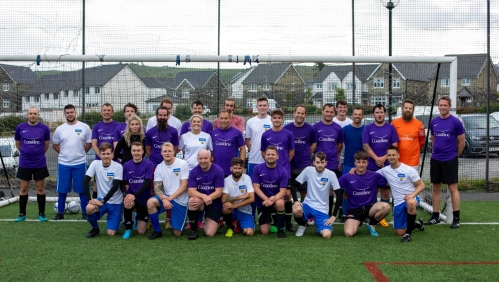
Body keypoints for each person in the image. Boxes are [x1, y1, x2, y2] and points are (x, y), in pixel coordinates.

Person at [426, 96, 465, 228]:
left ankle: (456, 219)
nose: (442, 107)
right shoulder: (434, 122)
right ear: (438, 106)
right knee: (436, 187)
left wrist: (455, 156)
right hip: (436, 159)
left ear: (449, 106)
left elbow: (462, 143)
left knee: (452, 188)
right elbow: (433, 139)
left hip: (450, 160)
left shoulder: (456, 122)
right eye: (441, 105)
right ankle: (435, 216)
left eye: (445, 105)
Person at [377, 146, 425, 242]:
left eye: (393, 155)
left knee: (410, 202)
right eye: (389, 155)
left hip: (411, 199)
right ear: (386, 156)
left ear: (398, 155)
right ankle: (418, 224)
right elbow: (369, 175)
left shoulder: (409, 170)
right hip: (398, 203)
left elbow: (421, 185)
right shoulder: (385, 170)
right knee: (399, 233)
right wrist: (355, 170)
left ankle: (408, 234)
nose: (391, 157)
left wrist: (412, 195)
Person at [52, 104, 92, 220]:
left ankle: (85, 213)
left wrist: (81, 153)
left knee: (82, 189)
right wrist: (64, 154)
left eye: (72, 112)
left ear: (75, 113)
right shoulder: (60, 129)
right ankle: (60, 213)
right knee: (62, 190)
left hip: (80, 163)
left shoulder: (84, 127)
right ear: (64, 114)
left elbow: (89, 143)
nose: (70, 114)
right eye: (67, 112)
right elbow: (55, 145)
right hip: (64, 164)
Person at [362, 104, 399, 227]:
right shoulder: (368, 128)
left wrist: (384, 158)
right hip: (372, 166)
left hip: (387, 166)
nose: (379, 114)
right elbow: (365, 146)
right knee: (372, 192)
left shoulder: (391, 128)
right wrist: (377, 158)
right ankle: (371, 216)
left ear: (384, 114)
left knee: (385, 192)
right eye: (377, 112)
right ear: (374, 114)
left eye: (381, 112)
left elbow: (394, 145)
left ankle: (382, 217)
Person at [339, 150, 390, 237]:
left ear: (367, 163)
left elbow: (388, 184)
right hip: (354, 211)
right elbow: (334, 186)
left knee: (386, 207)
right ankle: (356, 222)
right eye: (359, 162)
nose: (361, 164)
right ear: (355, 163)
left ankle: (371, 224)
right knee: (348, 233)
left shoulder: (374, 175)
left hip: (370, 208)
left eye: (364, 162)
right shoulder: (348, 176)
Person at [14, 106, 51, 222]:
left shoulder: (44, 128)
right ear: (27, 115)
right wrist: (26, 153)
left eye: (35, 113)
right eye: (30, 113)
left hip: (39, 163)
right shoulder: (20, 128)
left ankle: (41, 213)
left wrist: (37, 154)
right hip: (25, 163)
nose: (33, 115)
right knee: (24, 188)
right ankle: (22, 214)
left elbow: (46, 146)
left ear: (38, 115)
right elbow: (18, 144)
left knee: (40, 188)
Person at [260, 109, 295, 232]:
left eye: (279, 118)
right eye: (275, 117)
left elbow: (291, 152)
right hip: (270, 171)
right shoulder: (265, 135)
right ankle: (276, 221)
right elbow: (263, 152)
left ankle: (288, 222)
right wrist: (270, 163)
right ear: (271, 119)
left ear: (282, 119)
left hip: (284, 170)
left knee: (287, 195)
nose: (277, 120)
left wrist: (282, 164)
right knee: (273, 195)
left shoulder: (288, 134)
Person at [292, 152, 340, 239]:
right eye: (317, 162)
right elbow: (293, 185)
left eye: (322, 162)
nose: (320, 165)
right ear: (313, 162)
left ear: (326, 163)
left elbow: (339, 196)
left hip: (322, 210)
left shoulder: (331, 174)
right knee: (296, 210)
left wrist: (333, 216)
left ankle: (321, 226)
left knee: (327, 235)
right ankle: (302, 225)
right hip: (308, 205)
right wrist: (295, 201)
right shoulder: (308, 170)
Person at [147, 142, 189, 240]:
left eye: (169, 151)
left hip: (180, 200)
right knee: (150, 202)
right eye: (165, 151)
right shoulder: (159, 167)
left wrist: (169, 198)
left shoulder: (182, 163)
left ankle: (180, 219)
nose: (167, 153)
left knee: (177, 233)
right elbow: (156, 188)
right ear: (161, 153)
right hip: (166, 198)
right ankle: (157, 231)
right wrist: (164, 199)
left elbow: (184, 185)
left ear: (174, 151)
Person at [83, 143, 124, 238]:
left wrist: (103, 201)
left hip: (116, 202)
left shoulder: (118, 166)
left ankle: (119, 219)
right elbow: (85, 181)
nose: (106, 156)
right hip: (102, 200)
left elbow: (115, 186)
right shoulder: (95, 164)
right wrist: (90, 199)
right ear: (99, 154)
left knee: (111, 234)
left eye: (108, 153)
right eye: (103, 154)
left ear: (111, 154)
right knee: (89, 208)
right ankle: (95, 229)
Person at [313, 103, 344, 219]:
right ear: (322, 111)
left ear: (334, 113)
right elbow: (313, 144)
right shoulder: (315, 127)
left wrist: (334, 156)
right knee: (317, 188)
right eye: (327, 111)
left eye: (331, 112)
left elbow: (340, 145)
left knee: (330, 190)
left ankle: (329, 213)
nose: (329, 114)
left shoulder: (338, 128)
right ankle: (315, 213)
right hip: (318, 165)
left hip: (332, 164)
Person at [186, 149, 225, 240]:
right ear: (197, 159)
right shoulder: (194, 171)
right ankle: (194, 231)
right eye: (200, 158)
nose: (203, 161)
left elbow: (219, 192)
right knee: (192, 201)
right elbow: (191, 191)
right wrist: (203, 197)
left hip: (214, 203)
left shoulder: (218, 170)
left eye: (205, 158)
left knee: (209, 233)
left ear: (210, 158)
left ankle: (212, 219)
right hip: (201, 202)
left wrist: (205, 198)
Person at [252, 145, 288, 238]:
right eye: (268, 154)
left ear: (277, 156)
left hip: (275, 199)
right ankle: (273, 223)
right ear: (265, 156)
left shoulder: (283, 171)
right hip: (263, 201)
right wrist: (267, 199)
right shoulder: (257, 168)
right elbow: (256, 188)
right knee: (264, 232)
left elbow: (282, 192)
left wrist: (272, 200)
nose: (270, 156)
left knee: (280, 203)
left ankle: (281, 229)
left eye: (273, 154)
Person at [284, 104, 317, 203]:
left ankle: (303, 214)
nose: (300, 115)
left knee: (304, 193)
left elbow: (314, 144)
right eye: (298, 113)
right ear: (294, 113)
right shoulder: (286, 128)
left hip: (304, 166)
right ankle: (288, 216)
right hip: (288, 166)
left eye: (302, 113)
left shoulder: (310, 129)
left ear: (305, 115)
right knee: (287, 193)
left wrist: (306, 153)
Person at [245, 97, 271, 220]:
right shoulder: (250, 121)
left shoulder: (273, 120)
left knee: (268, 189)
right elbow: (247, 140)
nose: (262, 107)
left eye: (264, 105)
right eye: (260, 105)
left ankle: (266, 218)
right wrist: (255, 149)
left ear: (268, 106)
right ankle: (251, 217)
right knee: (252, 190)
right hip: (254, 161)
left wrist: (267, 156)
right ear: (257, 107)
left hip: (269, 162)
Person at [121, 142, 155, 239]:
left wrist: (134, 195)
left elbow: (147, 183)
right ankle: (128, 228)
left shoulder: (149, 164)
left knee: (141, 232)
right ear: (131, 152)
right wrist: (126, 195)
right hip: (132, 197)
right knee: (127, 203)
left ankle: (138, 217)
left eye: (138, 150)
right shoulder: (126, 165)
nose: (136, 153)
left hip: (144, 199)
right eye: (134, 150)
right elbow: (123, 183)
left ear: (143, 151)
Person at [340, 107, 365, 222]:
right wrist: (339, 161)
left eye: (359, 114)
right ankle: (345, 215)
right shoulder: (345, 129)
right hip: (348, 164)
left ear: (362, 116)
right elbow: (339, 146)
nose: (357, 116)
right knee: (346, 192)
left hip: (362, 165)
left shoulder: (366, 129)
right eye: (355, 114)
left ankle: (362, 215)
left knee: (361, 191)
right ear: (352, 115)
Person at [91, 103, 119, 198]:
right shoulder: (97, 126)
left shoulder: (117, 126)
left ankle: (116, 206)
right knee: (96, 185)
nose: (106, 112)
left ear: (112, 112)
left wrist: (111, 156)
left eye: (108, 110)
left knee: (115, 184)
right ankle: (95, 207)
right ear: (101, 112)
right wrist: (102, 156)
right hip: (100, 160)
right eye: (104, 110)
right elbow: (94, 144)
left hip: (114, 159)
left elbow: (118, 145)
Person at [222, 157, 255, 237]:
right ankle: (230, 228)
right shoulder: (226, 180)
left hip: (245, 211)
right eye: (235, 168)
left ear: (243, 169)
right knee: (225, 207)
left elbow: (252, 198)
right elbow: (224, 199)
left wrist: (234, 205)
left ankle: (238, 224)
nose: (237, 170)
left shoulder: (247, 178)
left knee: (249, 233)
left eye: (239, 168)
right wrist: (241, 197)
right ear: (231, 169)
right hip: (232, 210)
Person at [391, 99, 425, 170]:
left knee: (411, 181)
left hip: (413, 162)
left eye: (410, 108)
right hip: (397, 160)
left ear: (413, 110)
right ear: (402, 109)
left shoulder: (419, 125)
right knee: (398, 180)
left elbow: (422, 141)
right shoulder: (394, 123)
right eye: (406, 108)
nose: (408, 110)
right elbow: (391, 140)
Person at [211, 110, 246, 177]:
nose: (224, 120)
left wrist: (240, 164)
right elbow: (210, 149)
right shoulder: (213, 133)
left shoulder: (236, 132)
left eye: (226, 118)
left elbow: (243, 149)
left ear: (230, 119)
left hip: (232, 170)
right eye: (221, 118)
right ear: (218, 119)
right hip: (217, 169)